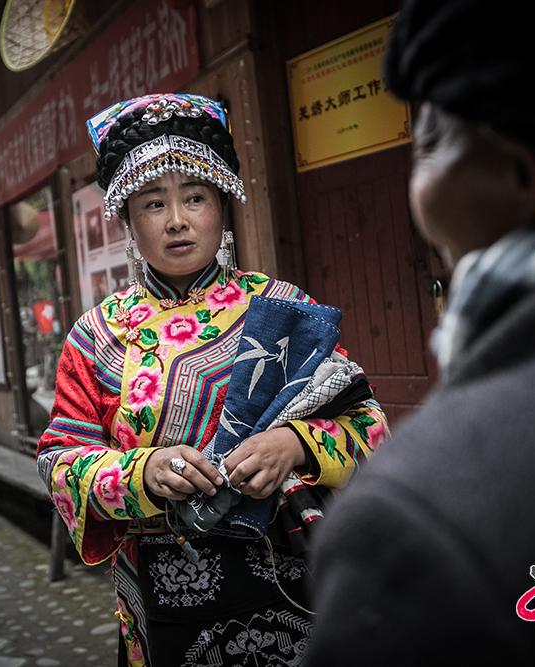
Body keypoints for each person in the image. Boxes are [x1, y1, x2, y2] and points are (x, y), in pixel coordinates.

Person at [305, 1, 535, 663]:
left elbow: (360, 424)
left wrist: (296, 446)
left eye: (426, 147)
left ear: (517, 171)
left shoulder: (418, 519)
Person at [38, 93, 389, 666]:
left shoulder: (285, 309)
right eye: (153, 204)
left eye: (194, 198)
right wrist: (140, 472)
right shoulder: (97, 336)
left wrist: (293, 444)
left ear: (221, 207)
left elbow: (370, 428)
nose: (176, 220)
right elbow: (59, 460)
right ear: (128, 220)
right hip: (162, 589)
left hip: (292, 573)